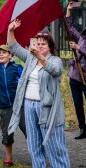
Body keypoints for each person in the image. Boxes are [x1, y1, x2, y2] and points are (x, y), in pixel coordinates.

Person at [7, 19, 70, 168]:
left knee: (55, 147)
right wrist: (11, 30)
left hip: (47, 109)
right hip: (29, 106)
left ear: (50, 47)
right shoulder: (30, 58)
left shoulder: (55, 60)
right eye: (38, 43)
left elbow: (55, 71)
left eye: (43, 44)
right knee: (34, 145)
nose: (39, 46)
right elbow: (14, 47)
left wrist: (40, 57)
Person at [65, 1, 86, 139]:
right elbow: (70, 28)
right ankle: (82, 129)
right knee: (78, 104)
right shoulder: (82, 36)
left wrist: (79, 48)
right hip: (75, 76)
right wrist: (68, 11)